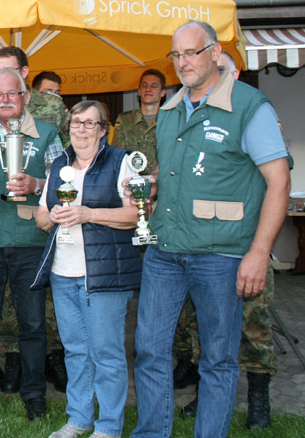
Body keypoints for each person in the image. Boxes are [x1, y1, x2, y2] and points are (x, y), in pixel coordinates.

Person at [131, 21, 290, 438]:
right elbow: (173, 168)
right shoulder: (170, 109)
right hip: (165, 250)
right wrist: (151, 185)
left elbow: (278, 181)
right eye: (176, 55)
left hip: (221, 254)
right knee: (149, 351)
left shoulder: (248, 106)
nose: (182, 62)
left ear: (215, 53)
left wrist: (259, 252)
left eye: (191, 53)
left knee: (217, 360)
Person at [177, 50, 283, 430]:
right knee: (204, 327)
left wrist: (259, 251)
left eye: (220, 72)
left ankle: (258, 399)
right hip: (206, 246)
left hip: (247, 244)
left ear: (233, 76)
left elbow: (277, 181)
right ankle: (207, 393)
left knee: (254, 325)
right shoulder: (199, 121)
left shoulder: (255, 116)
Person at [31, 101, 141, 438]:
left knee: (106, 352)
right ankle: (79, 419)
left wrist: (88, 213)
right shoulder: (59, 164)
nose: (81, 129)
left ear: (103, 129)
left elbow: (135, 215)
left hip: (104, 274)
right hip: (62, 273)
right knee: (75, 351)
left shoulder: (121, 162)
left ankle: (108, 426)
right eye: (76, 123)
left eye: (89, 123)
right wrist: (52, 217)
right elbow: (40, 217)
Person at [0, 68, 62, 419]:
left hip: (30, 240)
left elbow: (63, 184)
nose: (5, 100)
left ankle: (34, 393)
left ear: (25, 97)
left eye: (12, 93)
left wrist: (36, 185)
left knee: (33, 323)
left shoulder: (48, 133)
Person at [0, 46, 70, 393]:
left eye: (10, 71)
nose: (4, 82)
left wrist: (42, 187)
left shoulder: (51, 108)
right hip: (0, 223)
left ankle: (52, 356)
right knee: (9, 301)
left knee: (43, 300)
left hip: (42, 217)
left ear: (24, 73)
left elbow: (64, 161)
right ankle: (13, 358)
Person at [112, 69, 167, 174]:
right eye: (144, 85)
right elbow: (116, 156)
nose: (148, 89)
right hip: (131, 180)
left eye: (154, 86)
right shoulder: (125, 120)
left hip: (162, 181)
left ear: (163, 92)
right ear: (139, 91)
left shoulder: (170, 121)